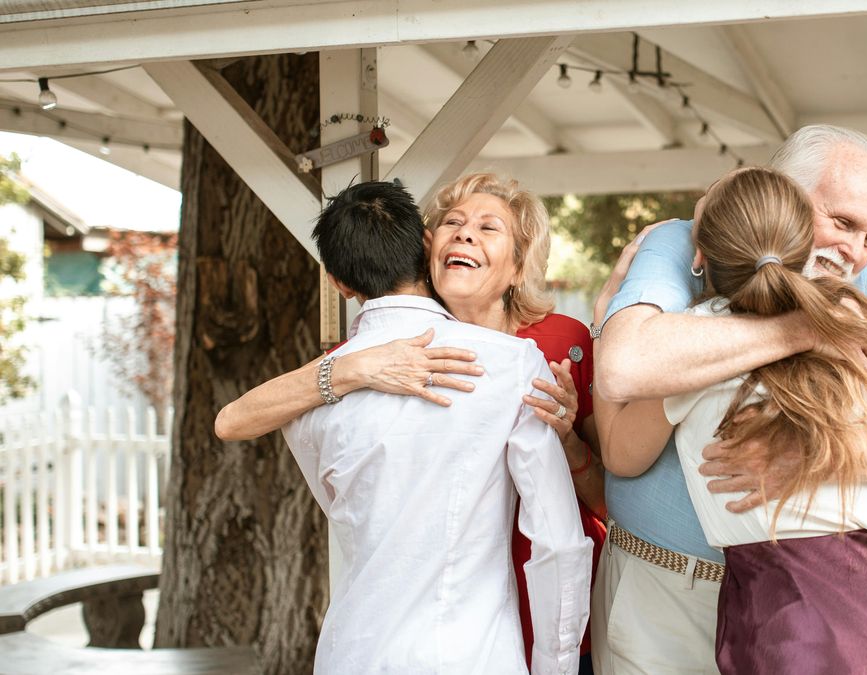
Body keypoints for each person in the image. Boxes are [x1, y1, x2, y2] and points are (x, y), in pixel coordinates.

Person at [588, 125, 867, 674]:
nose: (856, 253)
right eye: (842, 222)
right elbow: (626, 368)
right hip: (666, 592)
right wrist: (807, 328)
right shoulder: (687, 242)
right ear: (781, 190)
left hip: (803, 615)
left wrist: (807, 453)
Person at [214, 173, 607, 673]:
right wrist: (354, 367)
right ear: (427, 246)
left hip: (361, 649)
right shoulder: (347, 371)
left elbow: (340, 503)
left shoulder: (551, 349)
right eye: (454, 223)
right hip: (475, 648)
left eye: (488, 227)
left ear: (338, 282)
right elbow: (558, 542)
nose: (466, 235)